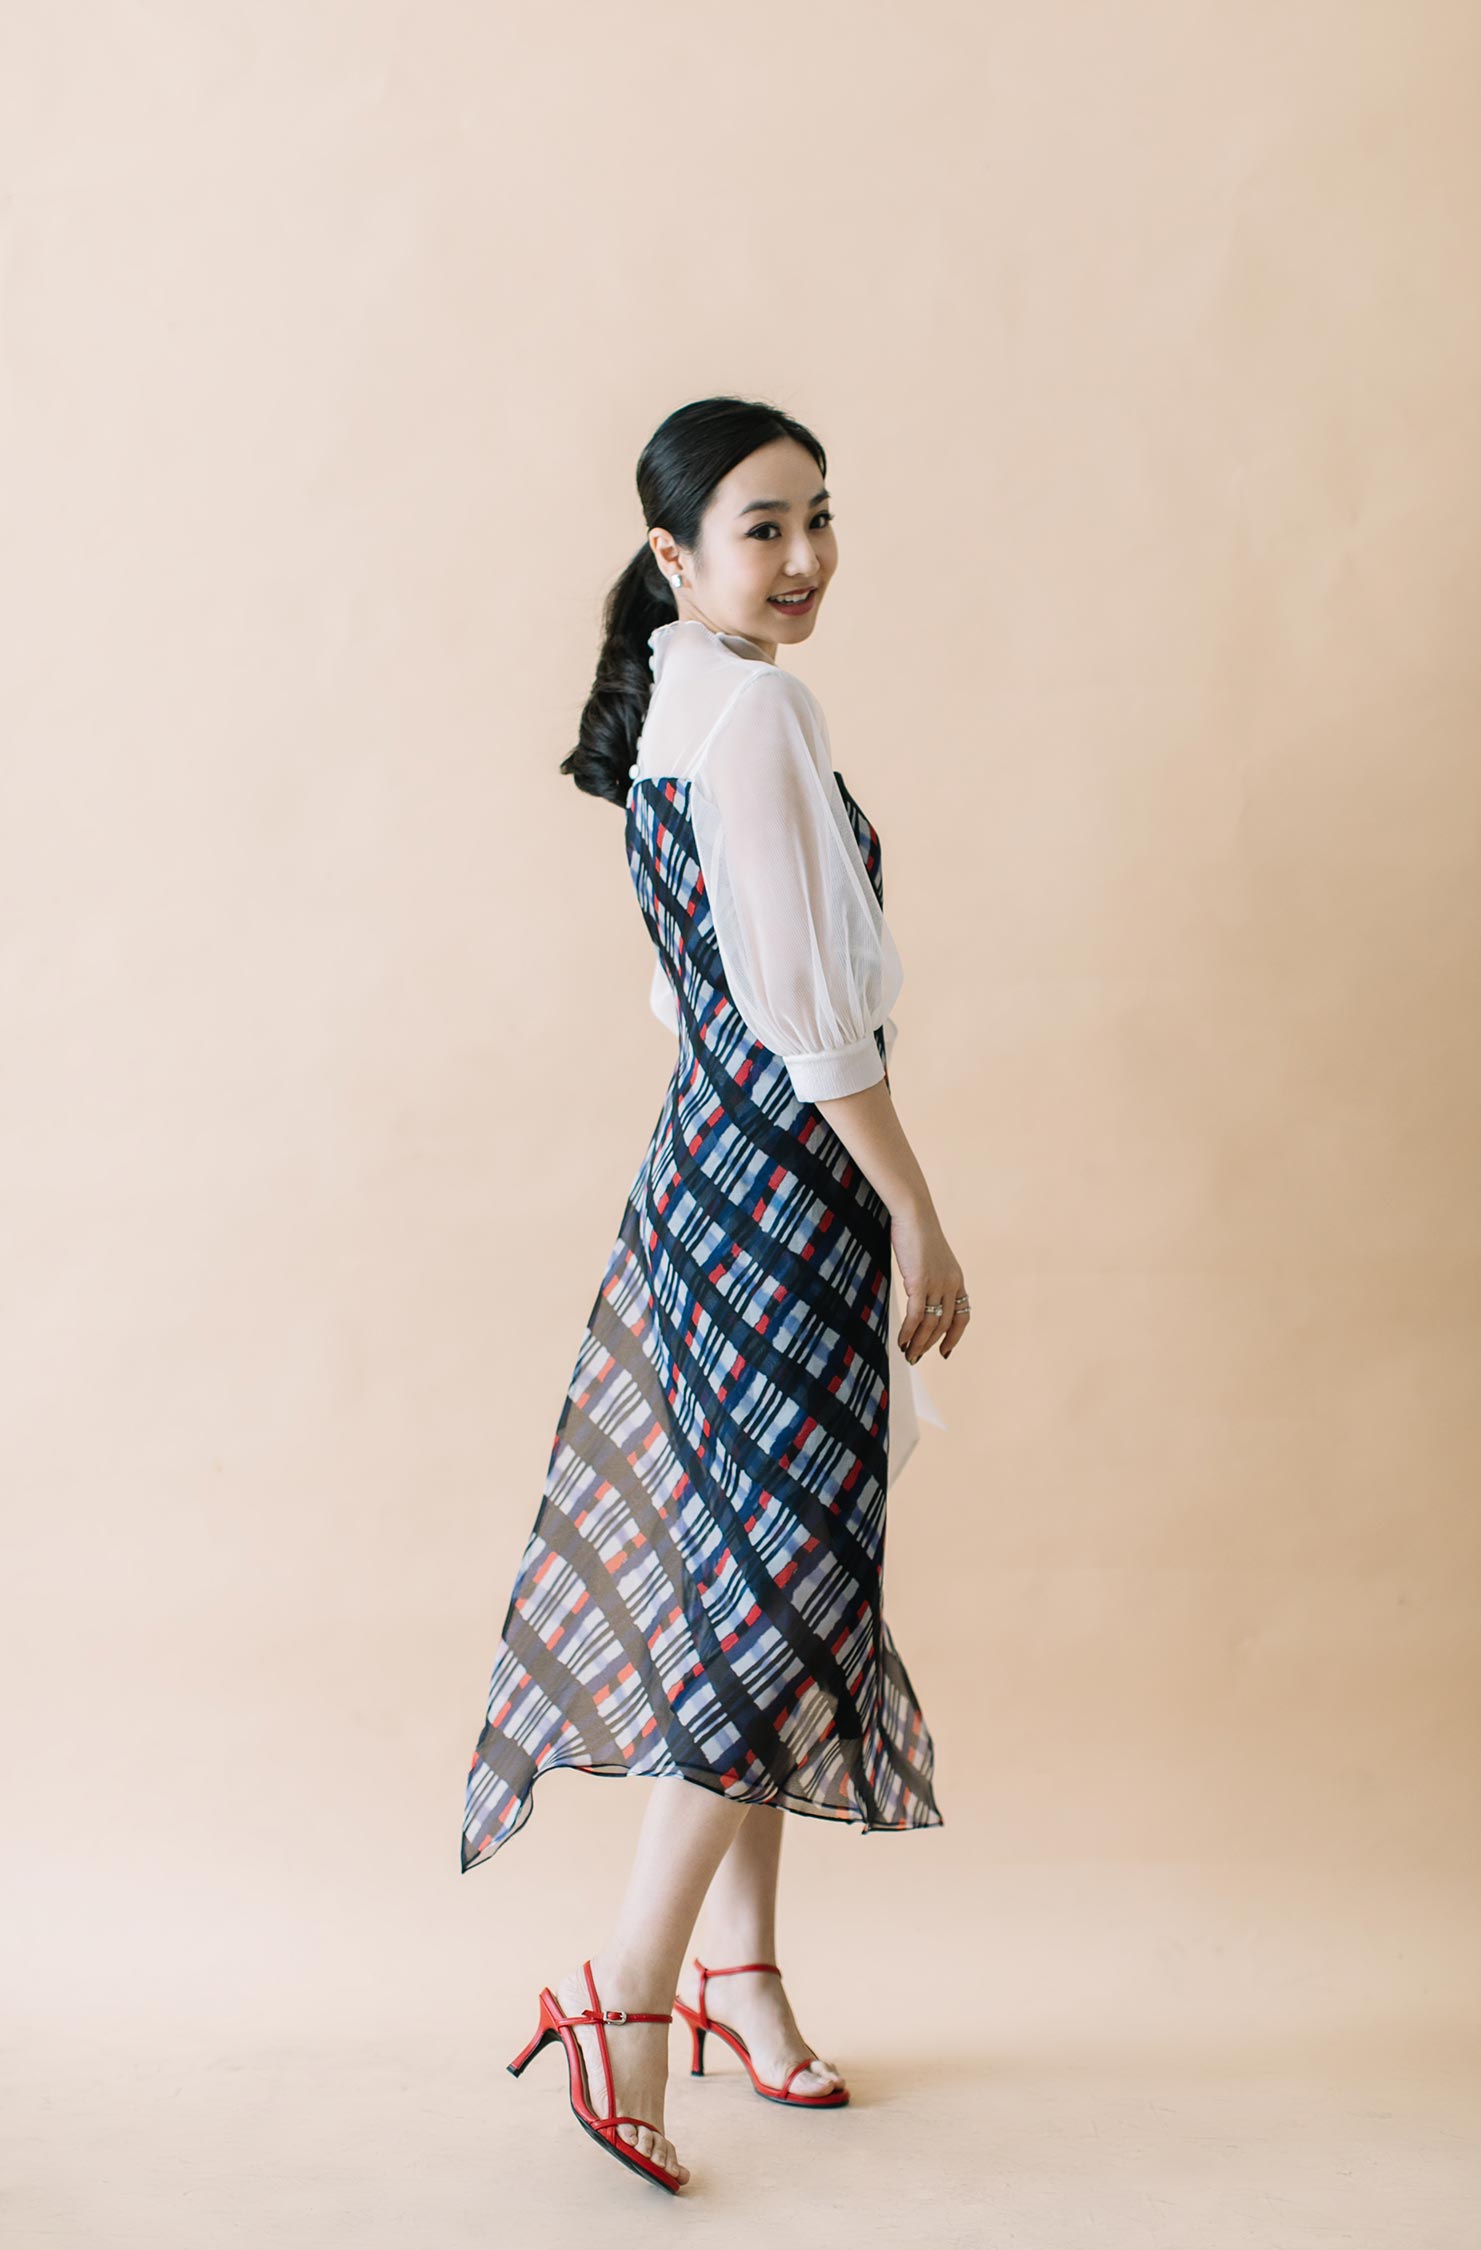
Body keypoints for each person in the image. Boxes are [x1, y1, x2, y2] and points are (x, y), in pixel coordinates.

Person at [461, 396, 970, 2194]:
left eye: (820, 516)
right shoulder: (752, 713)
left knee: (763, 1575)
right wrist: (917, 1213)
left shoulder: (687, 697)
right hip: (786, 1189)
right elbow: (809, 1016)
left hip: (702, 1174)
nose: (808, 556)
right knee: (776, 1594)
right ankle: (625, 1988)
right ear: (674, 555)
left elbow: (698, 1000)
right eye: (765, 527)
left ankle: (739, 1975)